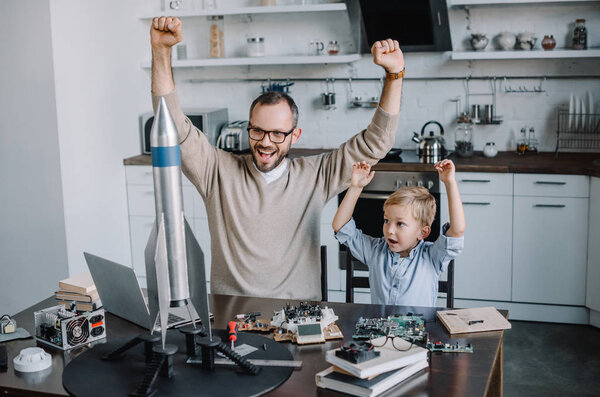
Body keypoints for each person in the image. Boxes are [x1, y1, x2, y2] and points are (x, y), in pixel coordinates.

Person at [150, 16, 405, 300]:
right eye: (257, 131)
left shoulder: (316, 175)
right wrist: (161, 51)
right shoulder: (217, 171)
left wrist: (395, 76)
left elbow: (377, 141)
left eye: (277, 134)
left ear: (295, 136)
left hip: (298, 317)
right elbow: (172, 125)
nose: (265, 142)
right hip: (231, 315)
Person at [332, 160, 465, 306]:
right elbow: (341, 226)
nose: (389, 230)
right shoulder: (375, 251)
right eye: (386, 220)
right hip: (380, 328)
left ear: (423, 232)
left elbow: (457, 230)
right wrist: (355, 187)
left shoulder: (431, 257)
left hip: (420, 328)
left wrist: (449, 182)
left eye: (400, 224)